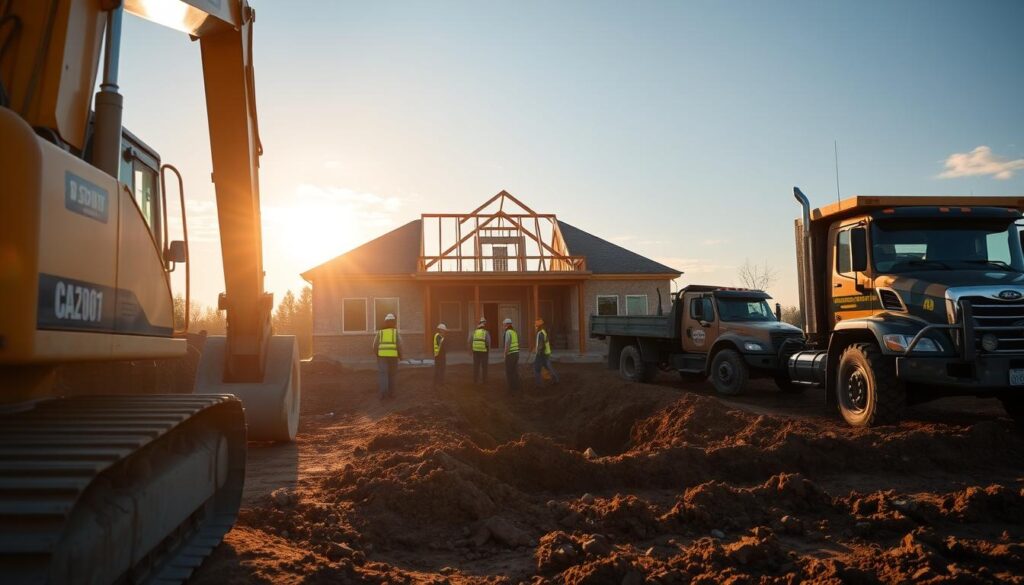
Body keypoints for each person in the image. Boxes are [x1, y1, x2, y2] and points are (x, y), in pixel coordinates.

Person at [372, 313, 402, 400]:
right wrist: (400, 355)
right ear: (394, 322)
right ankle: (392, 394)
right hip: (393, 357)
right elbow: (399, 345)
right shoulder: (395, 333)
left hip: (382, 357)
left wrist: (377, 354)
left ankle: (383, 394)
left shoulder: (380, 333)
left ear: (385, 322)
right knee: (392, 375)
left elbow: (374, 345)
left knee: (383, 374)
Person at [533, 318, 560, 386]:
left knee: (536, 368)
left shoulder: (540, 333)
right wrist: (536, 348)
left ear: (538, 325)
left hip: (542, 353)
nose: (534, 325)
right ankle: (556, 379)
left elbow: (541, 345)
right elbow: (542, 343)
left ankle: (539, 384)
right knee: (548, 366)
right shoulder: (543, 331)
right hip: (545, 353)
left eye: (536, 324)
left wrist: (537, 351)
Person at [469, 317, 491, 384]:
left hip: (475, 352)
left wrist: (470, 350)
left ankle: (475, 380)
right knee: (484, 367)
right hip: (484, 352)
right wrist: (488, 350)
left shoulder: (474, 332)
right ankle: (485, 380)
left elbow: (470, 341)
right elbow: (488, 342)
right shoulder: (485, 332)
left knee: (476, 367)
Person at [502, 318, 521, 393]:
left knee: (509, 372)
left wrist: (505, 354)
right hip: (516, 353)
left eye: (503, 324)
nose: (503, 326)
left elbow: (507, 344)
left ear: (506, 324)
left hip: (511, 354)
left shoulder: (508, 332)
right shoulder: (514, 332)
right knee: (515, 371)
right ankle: (516, 386)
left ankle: (511, 388)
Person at [433, 322, 448, 390]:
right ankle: (438, 382)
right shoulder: (438, 336)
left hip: (440, 354)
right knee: (439, 369)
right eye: (444, 330)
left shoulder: (440, 336)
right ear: (441, 330)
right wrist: (444, 338)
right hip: (439, 355)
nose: (445, 331)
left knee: (441, 368)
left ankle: (440, 381)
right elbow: (441, 345)